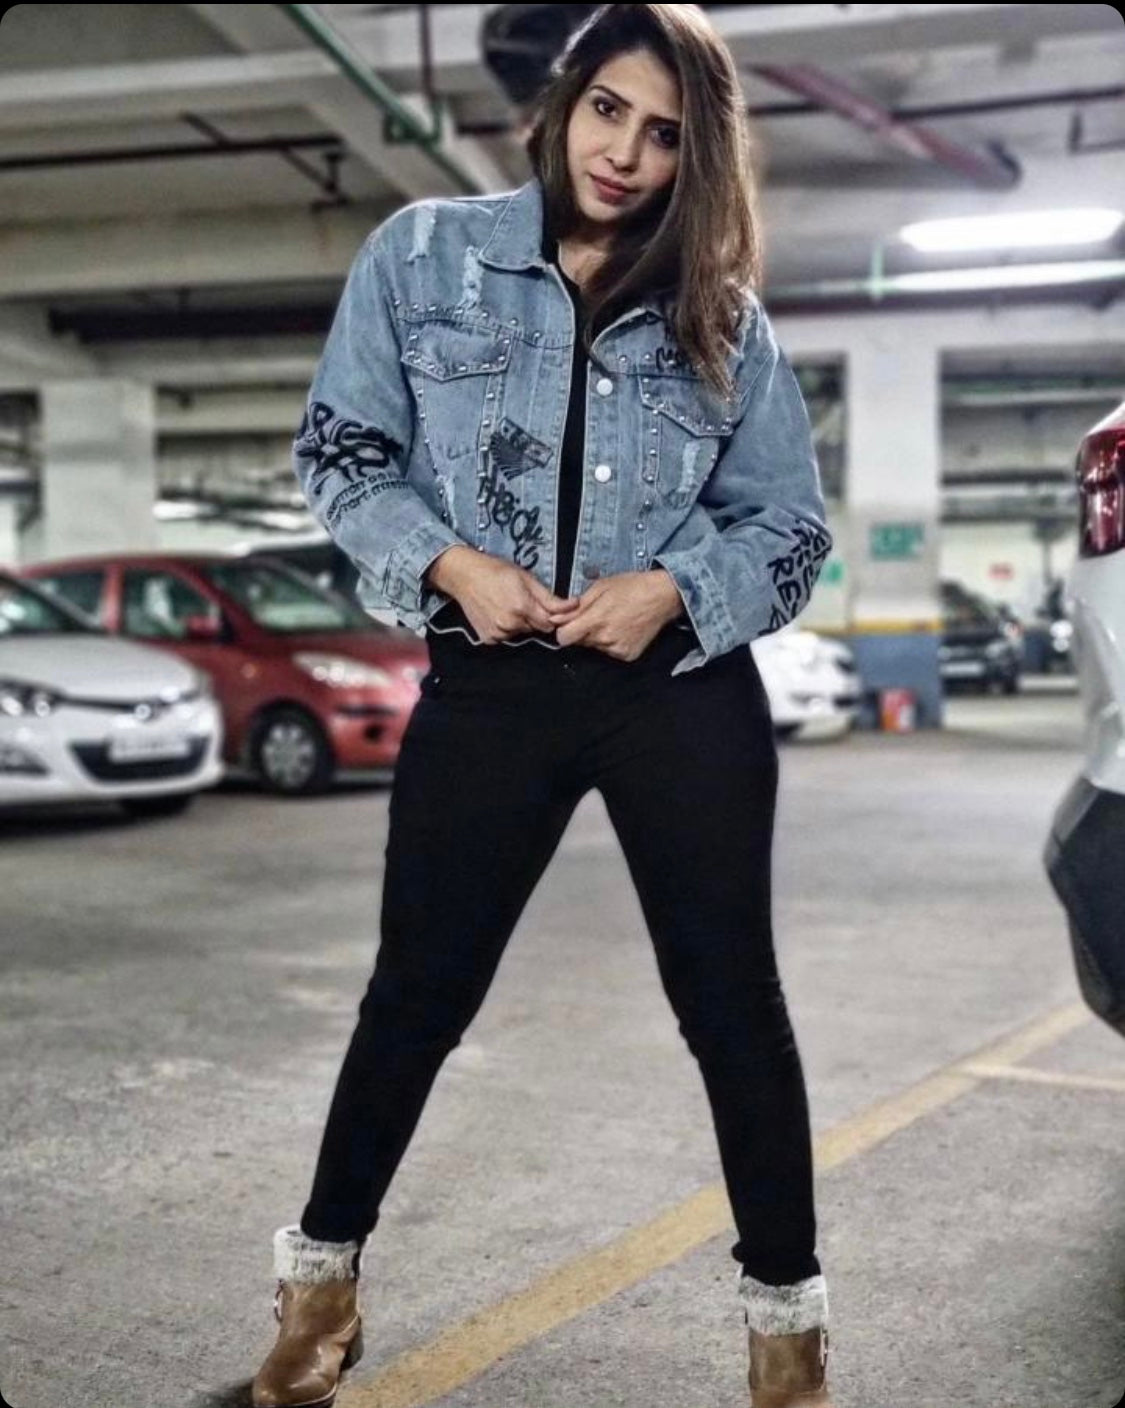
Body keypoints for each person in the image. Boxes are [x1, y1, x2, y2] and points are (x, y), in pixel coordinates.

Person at [250, 6, 835, 1407]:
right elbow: (341, 450)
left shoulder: (723, 318)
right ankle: (319, 1288)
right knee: (416, 997)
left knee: (732, 1007)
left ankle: (789, 1336)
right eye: (608, 111)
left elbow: (790, 531)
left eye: (664, 136)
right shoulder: (424, 257)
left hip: (672, 691)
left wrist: (672, 590)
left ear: (697, 160)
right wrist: (452, 565)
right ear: (564, 102)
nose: (624, 154)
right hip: (490, 686)